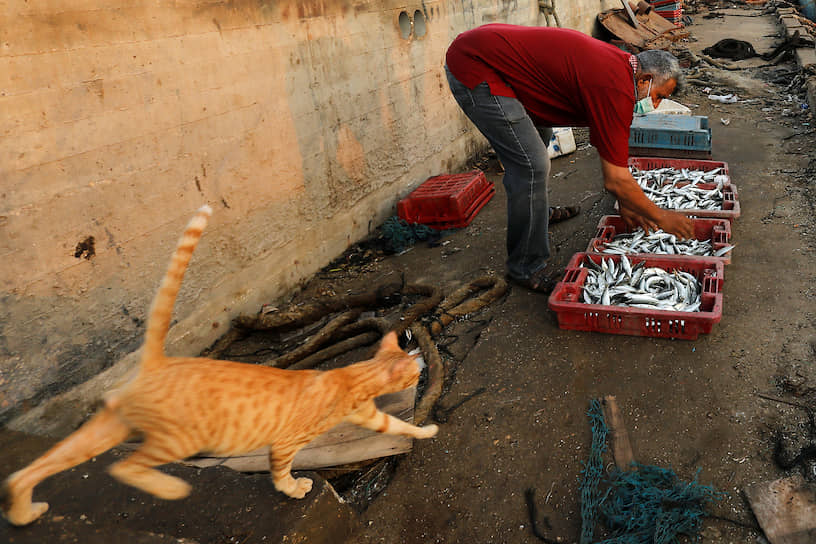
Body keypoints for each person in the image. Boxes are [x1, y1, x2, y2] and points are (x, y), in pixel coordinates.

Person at [445, 24, 695, 293]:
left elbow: (615, 161)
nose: (655, 105)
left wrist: (629, 203)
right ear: (644, 79)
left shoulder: (621, 67)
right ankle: (525, 267)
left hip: (497, 60)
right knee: (532, 164)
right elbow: (616, 180)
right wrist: (661, 217)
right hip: (475, 65)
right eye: (658, 96)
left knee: (537, 140)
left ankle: (536, 214)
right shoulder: (616, 87)